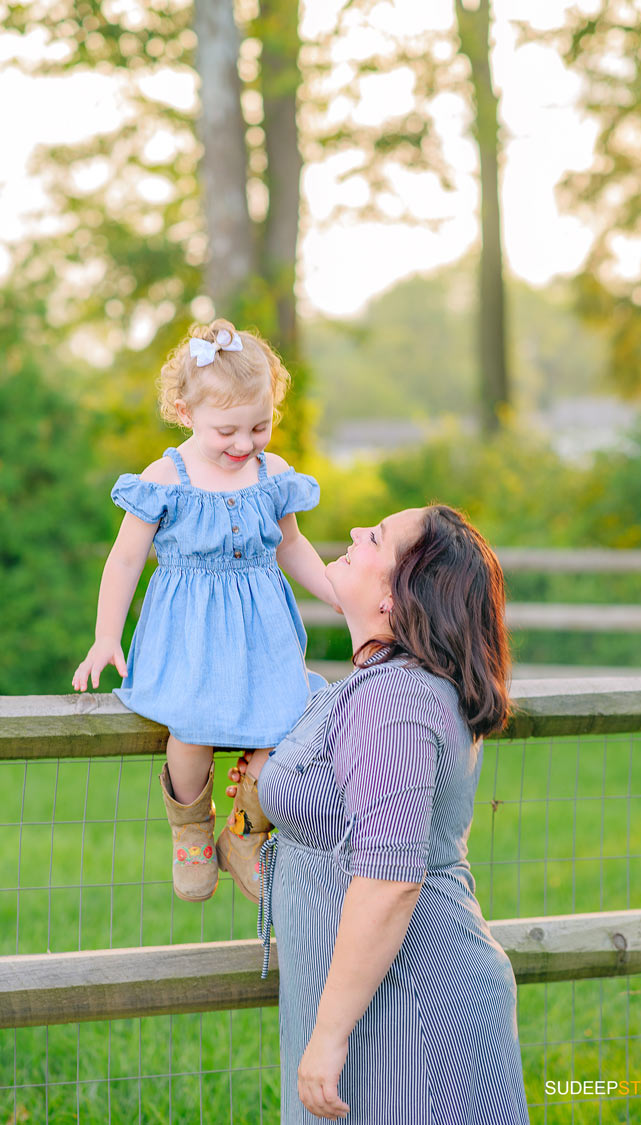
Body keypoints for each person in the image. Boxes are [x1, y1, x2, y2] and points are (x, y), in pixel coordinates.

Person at [226, 504, 529, 1123]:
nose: (356, 531)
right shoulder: (379, 685)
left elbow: (390, 882)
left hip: (414, 1007)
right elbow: (335, 850)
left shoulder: (397, 700)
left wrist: (330, 1036)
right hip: (372, 998)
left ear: (400, 594)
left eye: (378, 538)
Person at [73, 319, 337, 903]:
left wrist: (334, 592)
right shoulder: (165, 479)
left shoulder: (274, 475)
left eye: (259, 427)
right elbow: (123, 562)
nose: (243, 444)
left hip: (262, 638)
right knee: (189, 734)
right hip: (189, 637)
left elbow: (290, 544)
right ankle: (192, 831)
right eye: (227, 430)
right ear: (184, 410)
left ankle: (245, 833)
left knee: (286, 730)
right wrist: (105, 637)